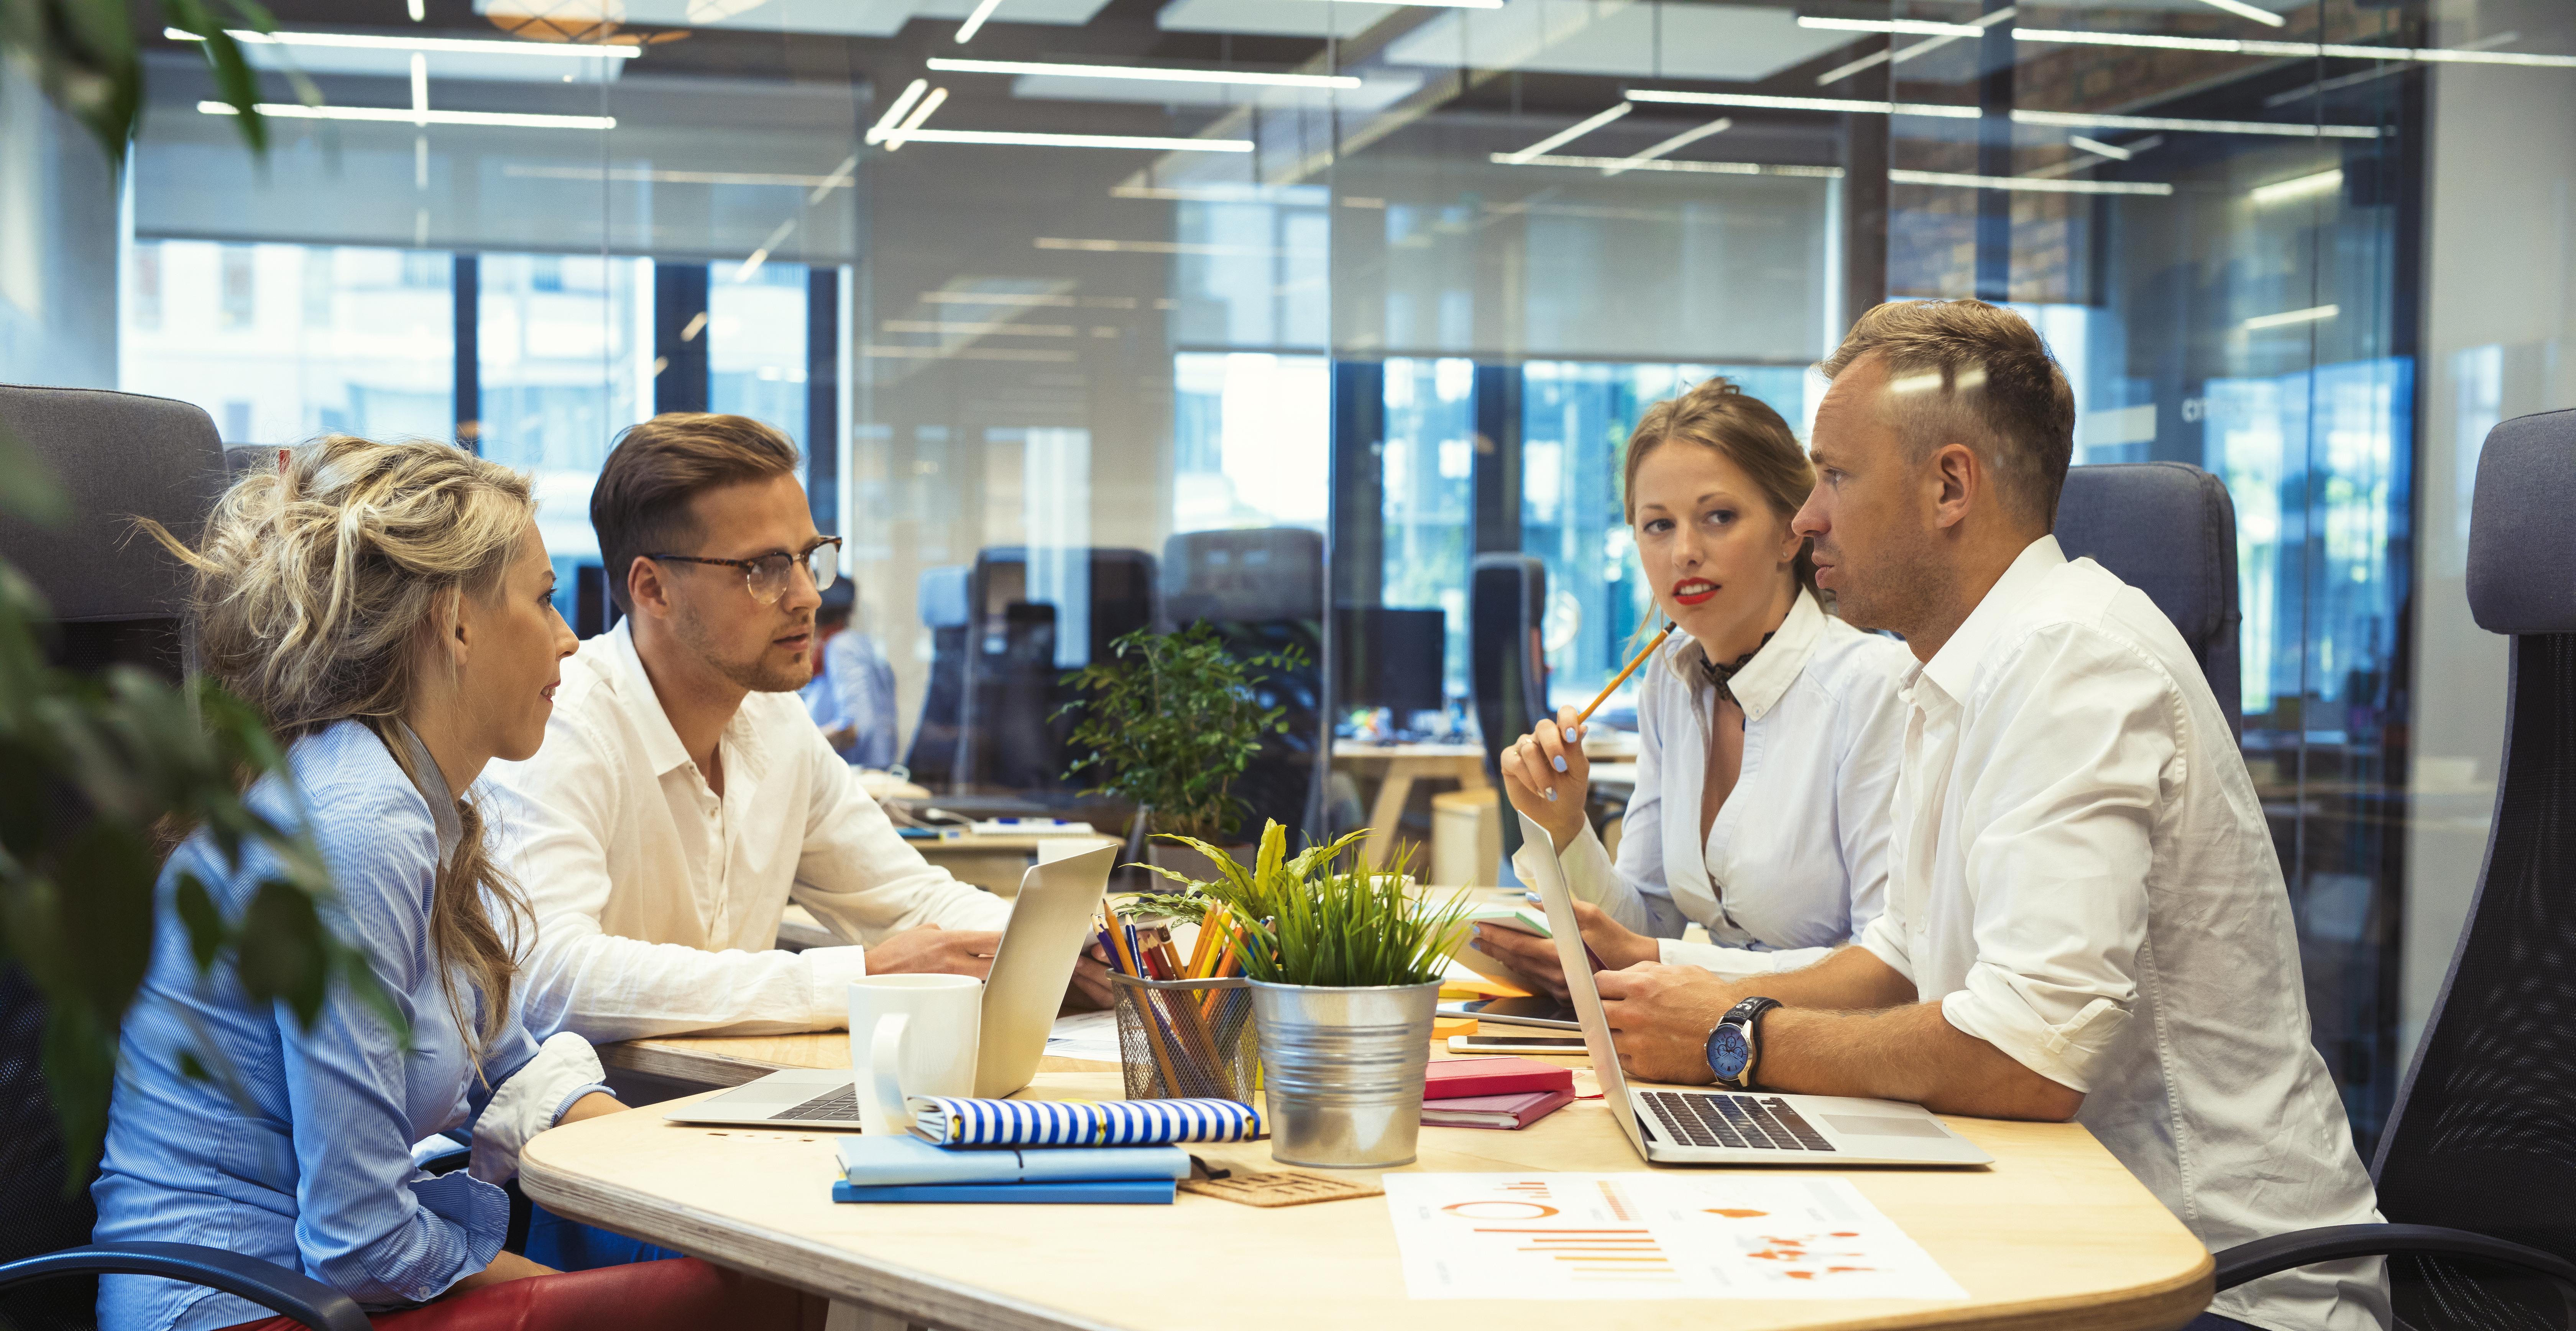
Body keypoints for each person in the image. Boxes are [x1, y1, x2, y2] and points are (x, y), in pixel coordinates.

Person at [1589, 301, 2385, 1331]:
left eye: (1836, 477)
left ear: (1950, 486)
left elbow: (2028, 1056)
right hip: (2050, 1222)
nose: (1807, 519)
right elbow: (1896, 963)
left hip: (2217, 1281)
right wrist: (1684, 1001)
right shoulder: (1955, 673)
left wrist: (1736, 1039)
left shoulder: (2074, 659)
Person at [94, 438, 816, 1331]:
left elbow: (507, 1057)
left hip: (319, 1287)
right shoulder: (359, 824)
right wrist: (535, 1284)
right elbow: (357, 1240)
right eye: (546, 599)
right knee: (744, 1297)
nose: (568, 637)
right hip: (240, 1304)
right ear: (457, 623)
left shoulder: (422, 800)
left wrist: (670, 1164)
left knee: (737, 1250)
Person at [488, 413, 1112, 1050]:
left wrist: (1080, 946)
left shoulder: (773, 720)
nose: (808, 595)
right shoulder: (565, 725)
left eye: (811, 558)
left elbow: (903, 899)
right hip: (588, 1128)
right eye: (764, 568)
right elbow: (551, 977)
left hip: (726, 1112)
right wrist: (863, 977)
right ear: (653, 589)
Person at [1475, 379, 1913, 1000]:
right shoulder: (1671, 682)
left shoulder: (1876, 687)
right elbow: (1646, 919)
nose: (1684, 552)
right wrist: (1567, 828)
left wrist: (1665, 961)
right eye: (1658, 525)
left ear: (1791, 532)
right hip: (1707, 1053)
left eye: (1719, 517)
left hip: (1831, 1062)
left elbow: (1891, 974)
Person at [801, 582, 899, 768]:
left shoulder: (842, 646)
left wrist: (796, 748)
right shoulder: (850, 646)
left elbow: (855, 728)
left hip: (862, 778)